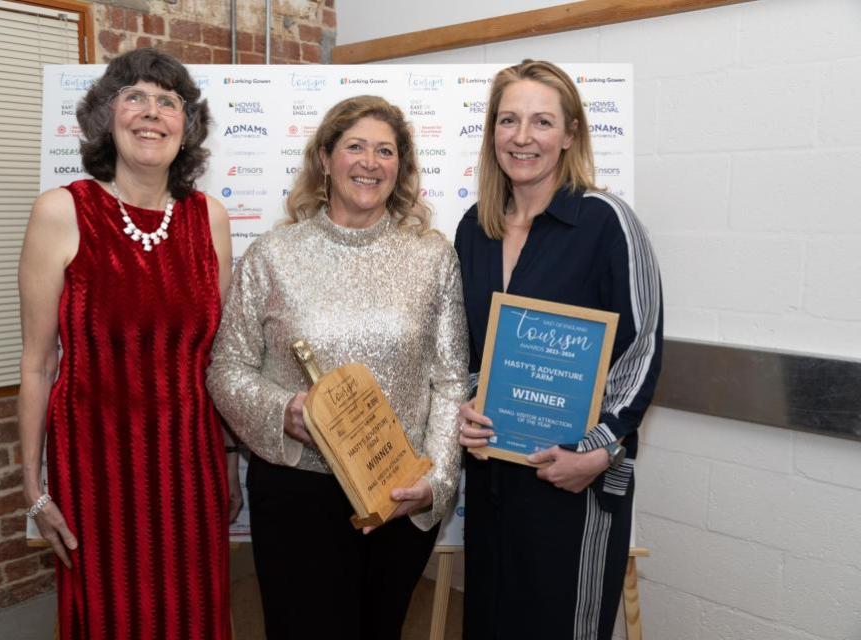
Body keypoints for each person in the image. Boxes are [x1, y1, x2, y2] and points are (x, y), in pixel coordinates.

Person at [206, 95, 468, 640]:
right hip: (297, 496)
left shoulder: (432, 256)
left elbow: (449, 380)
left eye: (385, 150)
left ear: (401, 168)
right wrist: (284, 410)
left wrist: (437, 481)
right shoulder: (273, 255)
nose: (369, 162)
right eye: (355, 147)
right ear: (324, 158)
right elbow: (225, 367)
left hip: (396, 497)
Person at [18, 48, 238, 639]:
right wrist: (34, 490)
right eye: (134, 96)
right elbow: (38, 366)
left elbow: (217, 361)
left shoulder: (209, 219)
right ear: (105, 117)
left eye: (168, 101)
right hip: (96, 471)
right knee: (113, 616)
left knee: (193, 615)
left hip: (191, 466)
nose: (151, 112)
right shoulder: (62, 212)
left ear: (186, 126)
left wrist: (230, 465)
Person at [455, 60, 663, 640]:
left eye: (542, 121)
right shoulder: (475, 228)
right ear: (492, 132)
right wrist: (467, 408)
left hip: (576, 480)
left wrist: (597, 453)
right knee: (492, 621)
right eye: (509, 120)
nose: (523, 137)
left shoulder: (607, 223)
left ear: (570, 134)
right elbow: (471, 349)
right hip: (495, 477)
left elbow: (641, 350)